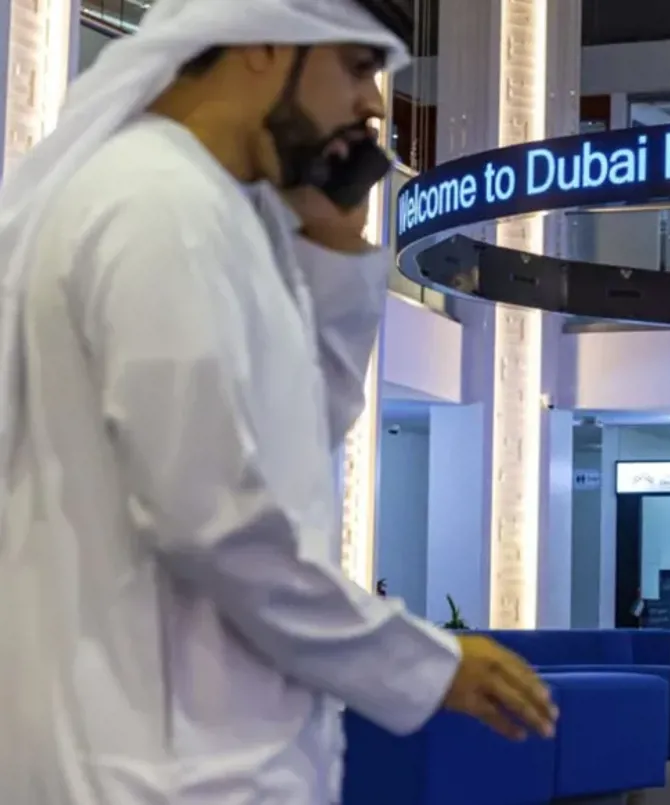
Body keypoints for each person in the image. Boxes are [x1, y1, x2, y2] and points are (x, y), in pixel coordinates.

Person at [0, 1, 556, 802]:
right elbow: (208, 514)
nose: (373, 105)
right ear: (264, 40)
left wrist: (335, 248)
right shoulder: (157, 206)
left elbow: (299, 446)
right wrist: (422, 665)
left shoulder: (222, 215)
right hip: (151, 769)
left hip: (213, 761)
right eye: (358, 67)